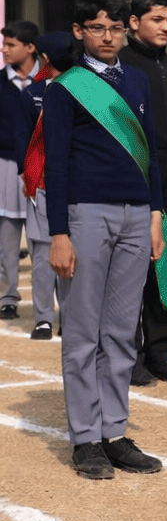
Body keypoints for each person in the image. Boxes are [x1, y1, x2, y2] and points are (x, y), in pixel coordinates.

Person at [43, 0, 166, 479]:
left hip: (138, 217)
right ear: (80, 32)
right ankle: (85, 438)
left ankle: (114, 431)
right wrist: (58, 234)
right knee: (81, 332)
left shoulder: (137, 80)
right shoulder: (66, 87)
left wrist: (156, 214)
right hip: (85, 215)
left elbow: (152, 154)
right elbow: (55, 167)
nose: (108, 36)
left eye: (116, 28)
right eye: (98, 28)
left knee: (120, 331)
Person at [117, 0, 167, 387]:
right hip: (138, 177)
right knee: (133, 269)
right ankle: (129, 355)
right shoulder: (123, 66)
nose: (165, 27)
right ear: (134, 22)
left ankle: (161, 351)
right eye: (156, 20)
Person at [19, 32, 69, 339]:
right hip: (42, 183)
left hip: (74, 183)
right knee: (41, 254)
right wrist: (29, 175)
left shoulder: (83, 91)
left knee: (72, 253)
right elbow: (24, 139)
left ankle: (69, 315)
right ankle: (43, 318)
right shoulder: (33, 93)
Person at [0, 20, 41, 321]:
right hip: (6, 165)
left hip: (44, 168)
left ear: (30, 47)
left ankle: (49, 309)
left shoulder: (50, 80)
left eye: (10, 44)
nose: (4, 50)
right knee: (8, 234)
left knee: (46, 239)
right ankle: (7, 297)